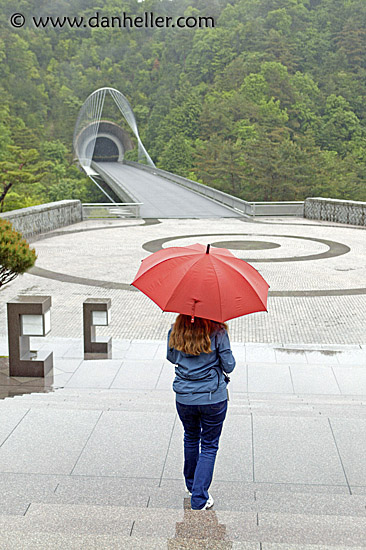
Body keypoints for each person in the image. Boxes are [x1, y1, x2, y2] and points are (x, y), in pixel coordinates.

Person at [167, 314, 236, 510]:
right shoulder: (218, 331)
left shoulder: (175, 329)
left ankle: (191, 485)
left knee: (190, 437)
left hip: (184, 397)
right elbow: (229, 366)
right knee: (209, 445)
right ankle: (199, 497)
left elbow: (171, 357)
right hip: (212, 397)